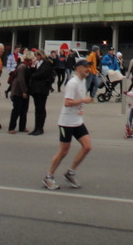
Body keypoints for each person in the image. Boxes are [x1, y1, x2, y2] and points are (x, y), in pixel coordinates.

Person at [42, 59, 93, 190]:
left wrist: (83, 101)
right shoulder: (72, 83)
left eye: (89, 67)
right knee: (64, 151)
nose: (88, 69)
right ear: (78, 69)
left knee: (87, 147)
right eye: (85, 67)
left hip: (77, 121)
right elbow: (67, 103)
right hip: (66, 122)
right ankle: (48, 176)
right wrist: (83, 100)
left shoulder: (83, 81)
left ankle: (70, 173)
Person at [28, 49, 55, 136]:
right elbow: (31, 74)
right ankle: (36, 127)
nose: (36, 57)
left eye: (37, 55)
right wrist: (32, 67)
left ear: (41, 55)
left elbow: (41, 74)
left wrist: (33, 75)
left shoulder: (46, 63)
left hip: (42, 89)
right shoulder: (37, 64)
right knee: (37, 109)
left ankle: (40, 128)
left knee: (41, 108)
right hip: (35, 89)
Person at [8, 50, 34, 134]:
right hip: (18, 91)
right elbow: (20, 79)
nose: (34, 60)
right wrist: (24, 91)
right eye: (33, 58)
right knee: (17, 109)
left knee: (24, 110)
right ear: (29, 58)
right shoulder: (22, 66)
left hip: (24, 90)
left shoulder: (27, 66)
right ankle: (11, 127)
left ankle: (22, 127)